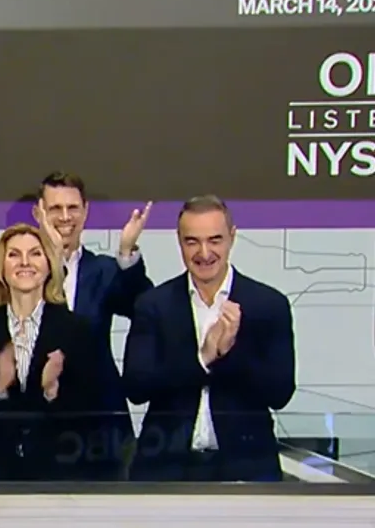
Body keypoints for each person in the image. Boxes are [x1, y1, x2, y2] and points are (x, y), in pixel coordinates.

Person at [123, 195, 296, 482]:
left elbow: (280, 393)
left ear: (232, 237)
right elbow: (136, 386)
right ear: (179, 242)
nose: (204, 252)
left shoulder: (268, 304)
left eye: (215, 240)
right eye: (192, 241)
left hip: (247, 468)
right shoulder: (153, 305)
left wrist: (229, 353)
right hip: (167, 469)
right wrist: (202, 358)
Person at [0, 223, 102, 481]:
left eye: (35, 253)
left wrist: (51, 391)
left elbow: (94, 411)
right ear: (2, 268)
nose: (25, 262)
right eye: (14, 255)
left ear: (48, 264)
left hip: (58, 474)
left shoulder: (76, 330)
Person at [34, 171, 154, 466]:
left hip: (102, 425)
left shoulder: (105, 271)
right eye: (55, 209)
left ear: (85, 211)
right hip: (40, 419)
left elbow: (143, 307)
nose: (65, 217)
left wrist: (127, 252)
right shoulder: (22, 270)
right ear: (40, 213)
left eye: (73, 208)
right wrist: (51, 261)